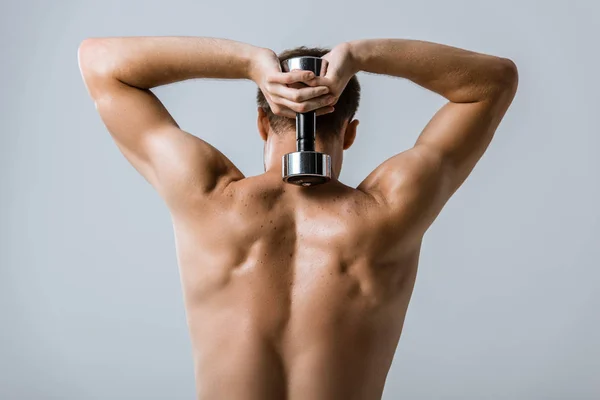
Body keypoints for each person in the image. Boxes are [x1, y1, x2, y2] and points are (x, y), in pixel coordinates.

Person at [78, 36, 518, 400]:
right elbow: (494, 80)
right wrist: (361, 55)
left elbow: (99, 63)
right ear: (349, 130)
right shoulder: (391, 209)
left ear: (262, 124)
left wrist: (250, 64)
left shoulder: (207, 196)